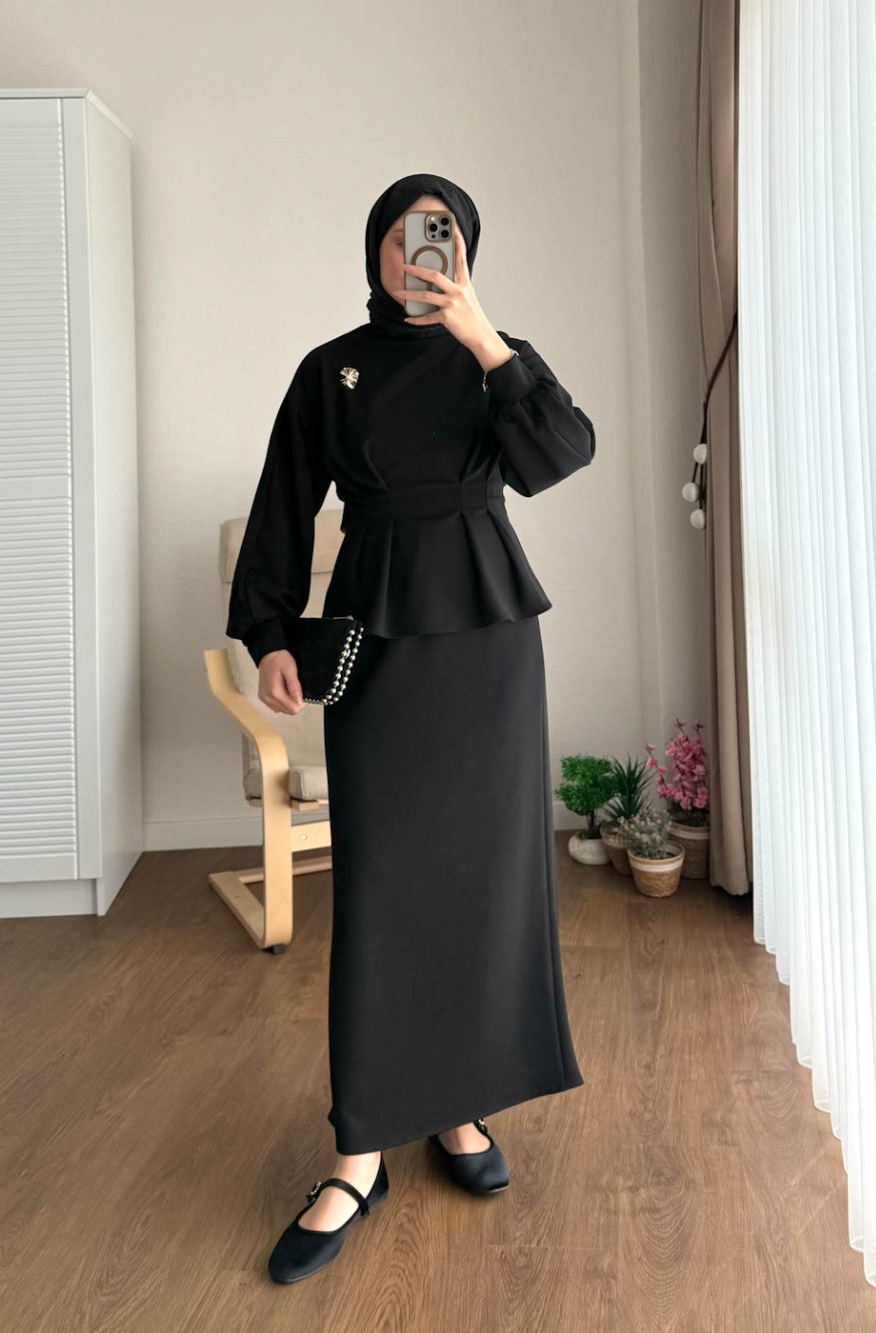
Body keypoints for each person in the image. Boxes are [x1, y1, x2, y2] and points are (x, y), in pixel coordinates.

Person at [226, 173, 596, 1283]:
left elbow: (559, 455)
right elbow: (285, 501)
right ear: (374, 250)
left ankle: (461, 1107)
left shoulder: (499, 356)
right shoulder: (329, 368)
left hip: (488, 641)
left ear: (465, 249)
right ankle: (358, 1154)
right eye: (398, 234)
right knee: (386, 886)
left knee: (483, 881)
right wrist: (270, 632)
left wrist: (483, 338)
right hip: (377, 635)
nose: (414, 252)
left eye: (436, 235)